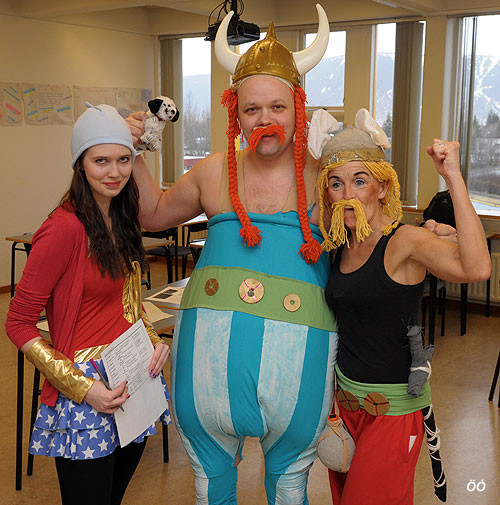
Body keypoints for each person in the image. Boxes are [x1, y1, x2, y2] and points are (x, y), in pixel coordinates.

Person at [315, 109, 491, 505]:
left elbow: (478, 268)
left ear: (382, 187)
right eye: (336, 184)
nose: (347, 194)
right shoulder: (339, 243)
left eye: (360, 181)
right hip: (345, 408)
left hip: (393, 412)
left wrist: (452, 176)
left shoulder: (405, 241)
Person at [5, 103, 171, 505]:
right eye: (101, 161)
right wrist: (82, 387)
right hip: (87, 392)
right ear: (80, 164)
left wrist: (153, 342)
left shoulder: (123, 216)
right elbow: (18, 323)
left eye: (123, 160)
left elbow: (128, 302)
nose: (114, 172)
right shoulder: (62, 229)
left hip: (131, 376)